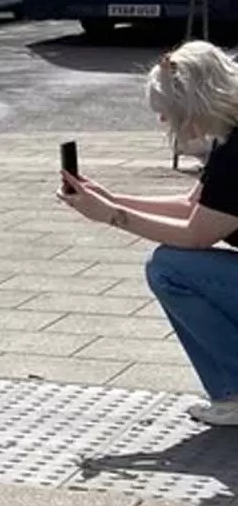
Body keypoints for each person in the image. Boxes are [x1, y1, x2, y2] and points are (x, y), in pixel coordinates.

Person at [58, 40, 238, 427]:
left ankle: (234, 390)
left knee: (170, 268)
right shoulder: (231, 138)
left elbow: (196, 234)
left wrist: (112, 216)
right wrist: (113, 198)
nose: (164, 124)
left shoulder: (235, 152)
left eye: (168, 114)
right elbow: (197, 204)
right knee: (171, 264)